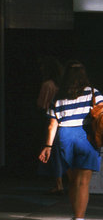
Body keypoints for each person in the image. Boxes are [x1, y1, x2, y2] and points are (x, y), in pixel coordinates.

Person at [38, 60, 103, 220]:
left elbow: (51, 125)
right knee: (83, 183)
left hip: (64, 137)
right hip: (85, 136)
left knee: (73, 182)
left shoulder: (58, 96)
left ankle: (76, 218)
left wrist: (47, 146)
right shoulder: (93, 93)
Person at [36, 56, 65, 194]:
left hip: (51, 118)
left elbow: (42, 104)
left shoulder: (47, 84)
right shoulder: (61, 85)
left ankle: (58, 183)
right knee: (59, 152)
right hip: (64, 121)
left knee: (52, 151)